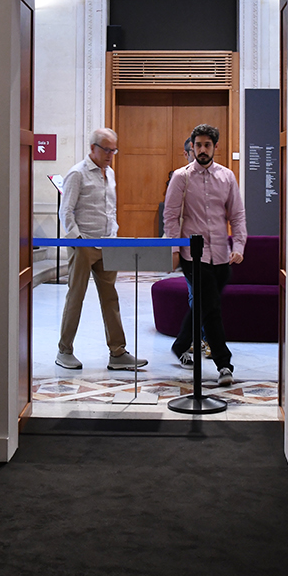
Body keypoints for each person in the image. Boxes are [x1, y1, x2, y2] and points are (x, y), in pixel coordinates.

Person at [54, 128, 146, 372]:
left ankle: (118, 352)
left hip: (107, 244)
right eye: (106, 149)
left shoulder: (110, 173)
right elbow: (66, 211)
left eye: (114, 150)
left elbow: (109, 208)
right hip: (84, 244)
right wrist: (78, 240)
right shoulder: (77, 173)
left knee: (110, 298)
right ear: (92, 148)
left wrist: (113, 232)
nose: (110, 155)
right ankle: (64, 350)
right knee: (76, 297)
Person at [163, 123, 247, 387]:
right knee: (211, 308)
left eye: (207, 145)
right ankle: (224, 364)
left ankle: (180, 345)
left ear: (215, 147)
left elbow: (237, 215)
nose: (202, 149)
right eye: (197, 145)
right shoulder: (181, 177)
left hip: (221, 254)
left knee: (203, 304)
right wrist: (174, 250)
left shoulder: (227, 177)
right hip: (193, 255)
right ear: (192, 146)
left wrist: (239, 246)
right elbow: (170, 216)